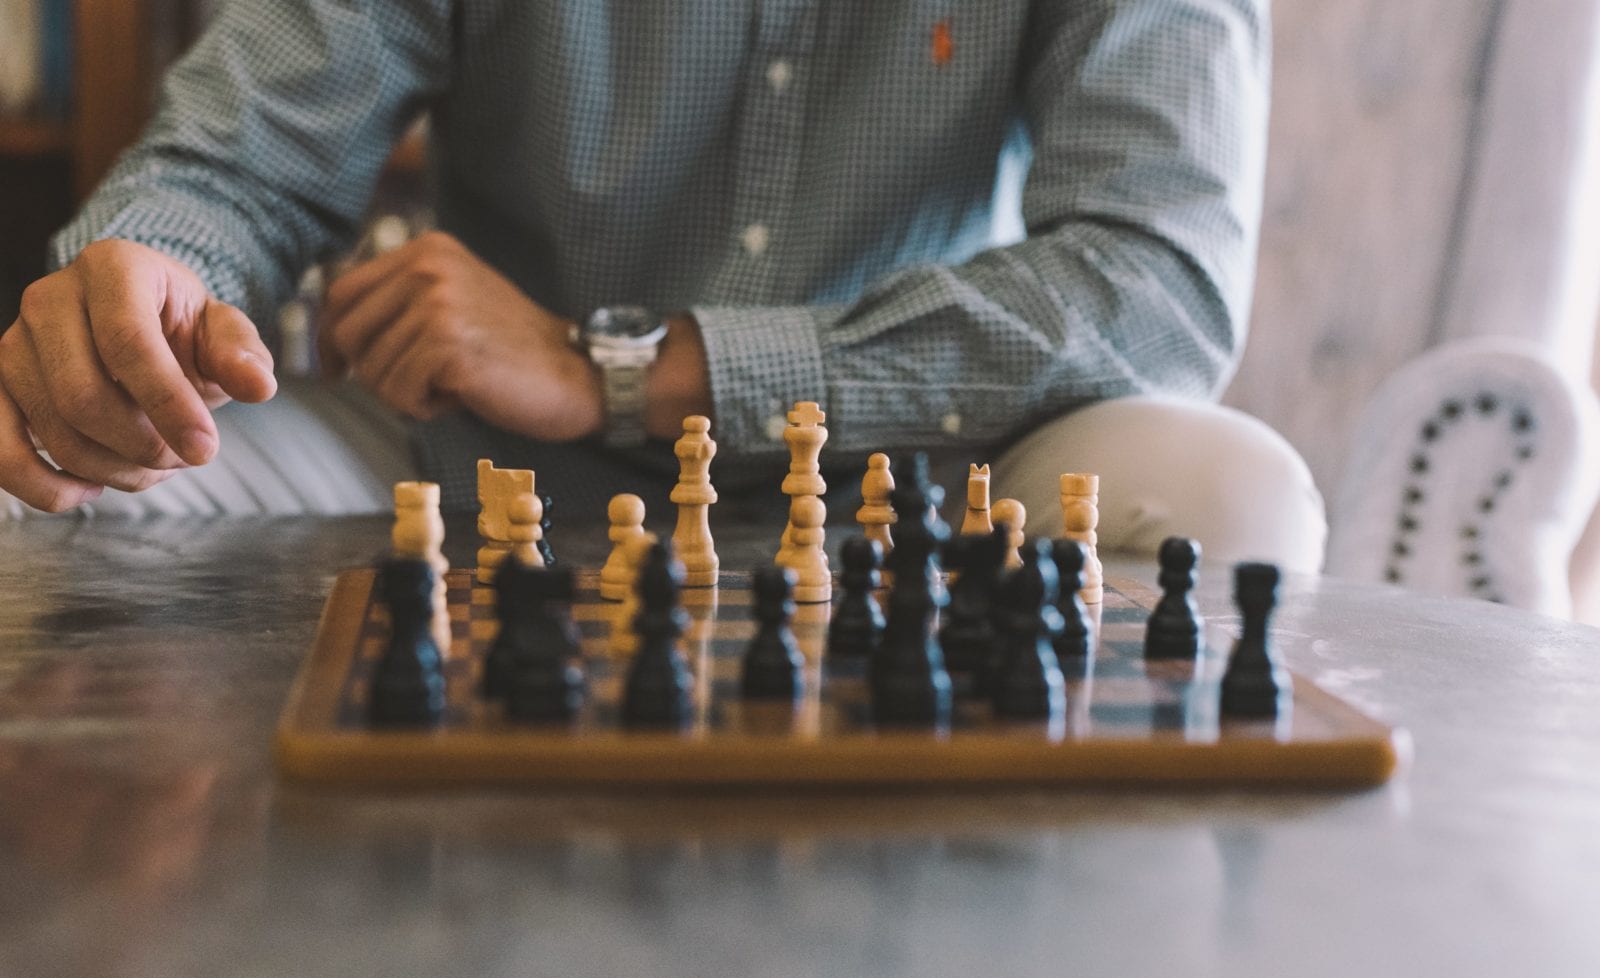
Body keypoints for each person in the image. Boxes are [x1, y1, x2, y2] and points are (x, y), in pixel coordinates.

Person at [0, 1, 1325, 569]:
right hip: (469, 462)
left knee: (1234, 494)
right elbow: (235, 165)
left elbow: (1156, 282)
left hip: (923, 471)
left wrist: (620, 371)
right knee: (23, 490)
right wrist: (149, 280)